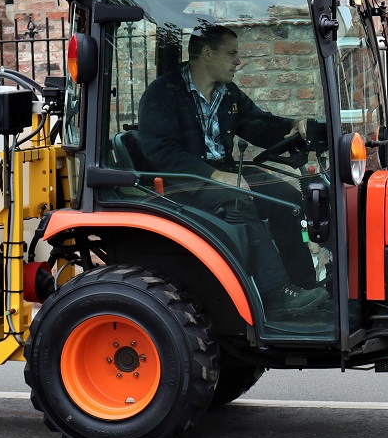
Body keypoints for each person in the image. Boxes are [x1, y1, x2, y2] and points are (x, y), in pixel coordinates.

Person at [137, 25, 326, 318]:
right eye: (232, 53)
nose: (238, 60)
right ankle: (276, 294)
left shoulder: (228, 94)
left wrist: (292, 125)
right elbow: (160, 152)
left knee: (289, 201)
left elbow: (257, 124)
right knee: (239, 202)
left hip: (223, 173)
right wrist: (214, 175)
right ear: (208, 53)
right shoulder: (163, 93)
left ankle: (304, 288)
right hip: (185, 184)